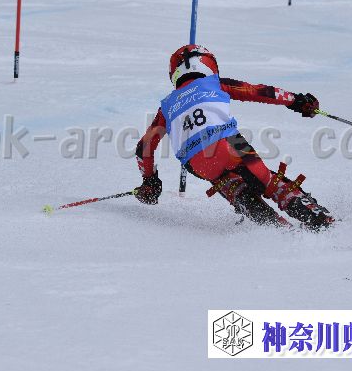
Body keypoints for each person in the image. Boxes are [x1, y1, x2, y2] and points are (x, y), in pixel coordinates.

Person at [133, 44, 334, 231]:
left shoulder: (166, 106)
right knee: (269, 183)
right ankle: (324, 223)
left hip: (196, 163)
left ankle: (280, 233)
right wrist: (296, 100)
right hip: (230, 144)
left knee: (233, 187)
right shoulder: (214, 83)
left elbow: (144, 148)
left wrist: (150, 181)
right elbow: (260, 92)